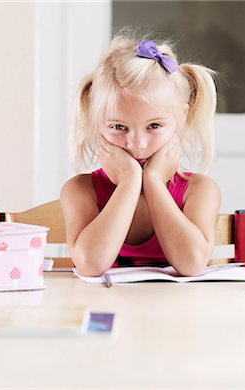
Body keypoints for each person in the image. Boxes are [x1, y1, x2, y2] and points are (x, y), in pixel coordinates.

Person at [60, 34, 221, 277]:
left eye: (154, 126)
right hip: (107, 311)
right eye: (118, 127)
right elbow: (91, 265)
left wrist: (154, 181)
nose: (137, 145)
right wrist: (129, 180)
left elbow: (192, 264)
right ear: (96, 122)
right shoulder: (81, 190)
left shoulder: (199, 190)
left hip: (179, 313)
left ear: (182, 118)